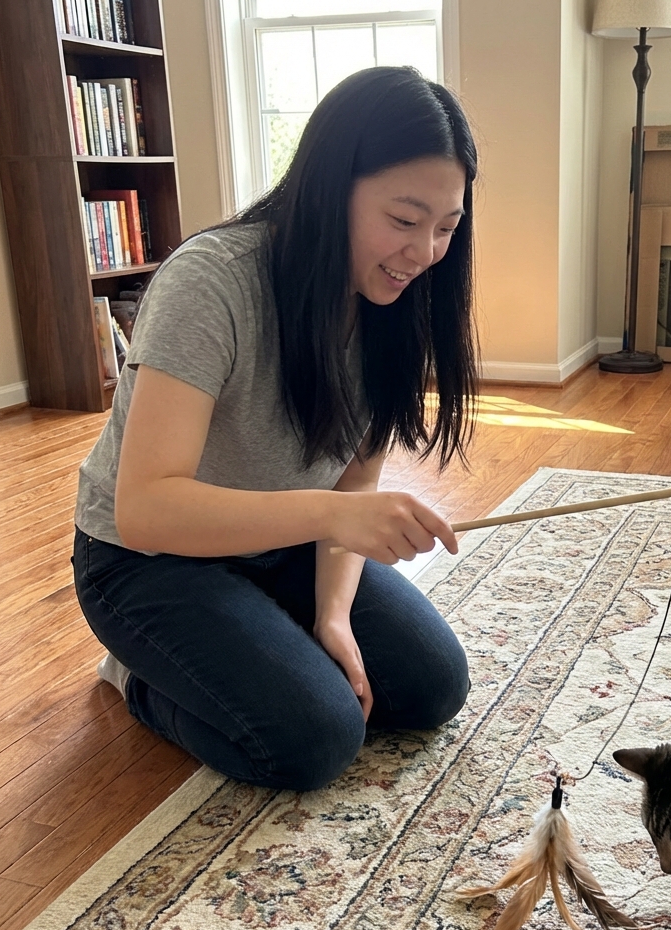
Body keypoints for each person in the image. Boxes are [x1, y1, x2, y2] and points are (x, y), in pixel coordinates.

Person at [72, 67, 477, 791]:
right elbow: (146, 509)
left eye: (447, 227)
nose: (424, 254)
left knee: (432, 686)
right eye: (405, 220)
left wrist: (333, 617)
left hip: (278, 541)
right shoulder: (213, 282)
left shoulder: (399, 296)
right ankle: (137, 676)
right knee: (314, 737)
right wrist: (338, 517)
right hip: (143, 558)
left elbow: (356, 477)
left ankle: (260, 629)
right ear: (330, 187)